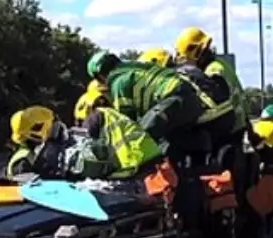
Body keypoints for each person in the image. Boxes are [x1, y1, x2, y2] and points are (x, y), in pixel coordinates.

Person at [87, 51, 229, 162]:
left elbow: (125, 122)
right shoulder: (133, 67)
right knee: (169, 140)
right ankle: (199, 153)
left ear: (100, 76)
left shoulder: (118, 81)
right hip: (189, 99)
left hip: (173, 99)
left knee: (141, 139)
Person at [174, 27, 247, 134]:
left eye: (186, 59)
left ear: (196, 52)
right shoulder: (219, 64)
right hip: (235, 127)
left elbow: (213, 104)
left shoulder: (212, 72)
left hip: (227, 132)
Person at [80, 99, 165, 179]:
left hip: (134, 160)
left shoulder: (94, 116)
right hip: (152, 153)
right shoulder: (114, 115)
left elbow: (84, 143)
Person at [6, 106, 70, 179]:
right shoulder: (23, 160)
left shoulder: (28, 154)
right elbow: (34, 186)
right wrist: (52, 145)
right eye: (51, 126)